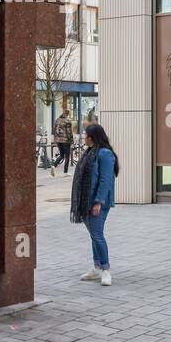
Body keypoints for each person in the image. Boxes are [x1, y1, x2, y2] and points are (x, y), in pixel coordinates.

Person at [71, 123, 118, 286]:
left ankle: (105, 270)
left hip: (98, 202)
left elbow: (105, 180)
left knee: (97, 235)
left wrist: (98, 202)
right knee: (94, 235)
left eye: (85, 135)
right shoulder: (90, 152)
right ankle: (97, 267)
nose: (84, 137)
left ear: (92, 137)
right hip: (86, 201)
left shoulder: (105, 154)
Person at [52, 108, 75, 176]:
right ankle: (65, 172)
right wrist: (71, 141)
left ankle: (54, 165)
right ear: (67, 114)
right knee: (67, 156)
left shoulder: (57, 120)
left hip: (58, 140)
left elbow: (54, 130)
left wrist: (55, 139)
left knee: (62, 155)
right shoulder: (67, 121)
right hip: (66, 141)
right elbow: (69, 132)